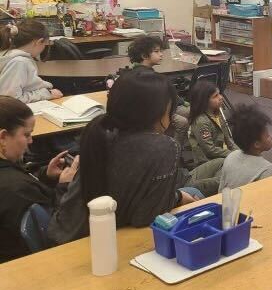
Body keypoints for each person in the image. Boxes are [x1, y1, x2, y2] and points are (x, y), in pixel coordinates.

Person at [48, 70, 221, 245]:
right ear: (161, 111)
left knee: (190, 192)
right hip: (99, 244)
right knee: (197, 199)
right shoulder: (163, 147)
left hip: (65, 231)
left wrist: (176, 196)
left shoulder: (101, 133)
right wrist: (175, 197)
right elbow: (145, 217)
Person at [0, 96, 79, 262]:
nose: (31, 141)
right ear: (3, 137)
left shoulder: (14, 178)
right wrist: (65, 187)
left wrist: (46, 177)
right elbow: (56, 229)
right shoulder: (16, 189)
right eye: (26, 134)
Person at [124, 35, 189, 150]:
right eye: (157, 51)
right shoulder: (144, 77)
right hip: (155, 111)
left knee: (190, 111)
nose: (161, 54)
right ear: (144, 55)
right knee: (183, 122)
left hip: (164, 106)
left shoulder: (146, 72)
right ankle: (174, 152)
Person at [0, 20, 63, 102]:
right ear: (39, 42)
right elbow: (11, 100)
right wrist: (47, 94)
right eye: (45, 44)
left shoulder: (9, 55)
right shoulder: (19, 62)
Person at [217, 104, 272, 191]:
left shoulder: (231, 156)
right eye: (267, 136)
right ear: (257, 144)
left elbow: (221, 189)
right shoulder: (267, 169)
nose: (271, 136)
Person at [188, 81, 235, 165]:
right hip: (209, 161)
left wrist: (238, 152)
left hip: (223, 152)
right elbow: (210, 150)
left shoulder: (217, 112)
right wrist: (233, 155)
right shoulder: (201, 122)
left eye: (219, 94)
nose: (221, 97)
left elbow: (227, 138)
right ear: (204, 101)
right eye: (215, 96)